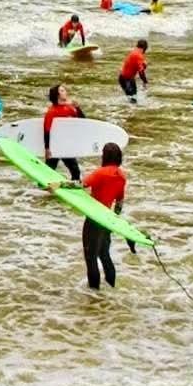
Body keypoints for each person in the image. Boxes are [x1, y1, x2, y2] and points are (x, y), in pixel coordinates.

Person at [49, 142, 129, 290]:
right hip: (107, 220)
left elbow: (80, 184)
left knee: (91, 258)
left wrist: (59, 185)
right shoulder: (121, 176)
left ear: (105, 156)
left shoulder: (101, 173)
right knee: (104, 255)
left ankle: (94, 295)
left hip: (94, 219)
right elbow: (119, 202)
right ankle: (111, 288)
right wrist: (113, 221)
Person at [43, 83, 84, 182]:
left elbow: (83, 121)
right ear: (57, 95)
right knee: (48, 171)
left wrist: (78, 108)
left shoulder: (69, 108)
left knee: (76, 171)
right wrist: (47, 148)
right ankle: (42, 189)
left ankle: (74, 191)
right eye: (62, 91)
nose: (65, 92)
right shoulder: (51, 112)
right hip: (54, 146)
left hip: (66, 145)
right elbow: (47, 131)